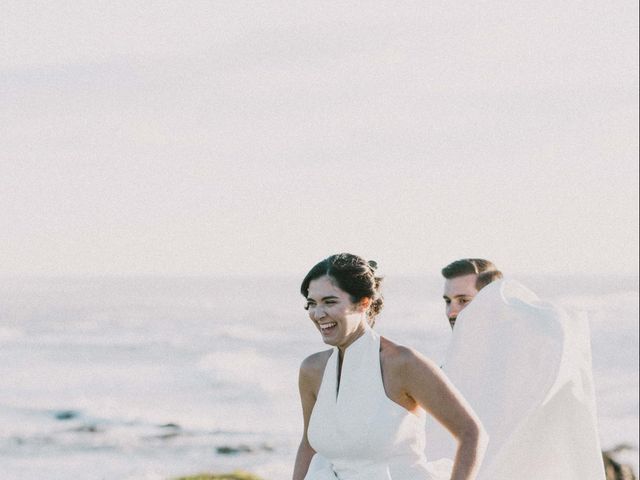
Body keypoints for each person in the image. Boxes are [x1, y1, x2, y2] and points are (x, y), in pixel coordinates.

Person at [292, 253, 487, 480]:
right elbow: (309, 445)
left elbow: (471, 433)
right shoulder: (312, 370)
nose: (318, 313)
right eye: (311, 303)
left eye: (330, 301)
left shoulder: (403, 363)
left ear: (364, 302)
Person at [429, 258, 606, 479]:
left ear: (491, 302)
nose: (451, 312)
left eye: (463, 300)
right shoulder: (451, 367)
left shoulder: (525, 363)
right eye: (448, 301)